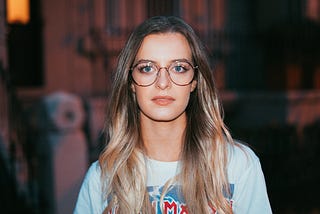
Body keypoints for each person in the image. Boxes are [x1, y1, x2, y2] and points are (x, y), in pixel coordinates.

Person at [74, 16, 272, 214]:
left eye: (178, 68)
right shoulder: (101, 179)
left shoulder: (237, 166)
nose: (163, 82)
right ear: (131, 82)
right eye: (147, 68)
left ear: (194, 80)